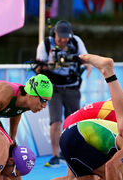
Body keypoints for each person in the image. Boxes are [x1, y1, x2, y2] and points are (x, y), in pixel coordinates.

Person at [35, 20, 90, 167]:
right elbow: (37, 68)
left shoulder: (76, 42)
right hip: (54, 89)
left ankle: (72, 152)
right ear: (55, 34)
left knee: (74, 121)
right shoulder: (46, 44)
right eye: (61, 37)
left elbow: (86, 58)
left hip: (72, 87)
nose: (64, 40)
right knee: (56, 121)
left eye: (66, 37)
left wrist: (88, 65)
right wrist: (50, 66)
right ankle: (55, 155)